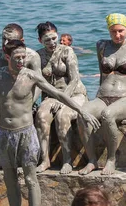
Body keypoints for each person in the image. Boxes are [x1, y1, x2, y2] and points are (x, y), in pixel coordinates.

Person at [0, 40, 99, 206]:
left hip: (26, 134)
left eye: (23, 57)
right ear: (7, 56)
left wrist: (82, 111)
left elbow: (59, 94)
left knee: (30, 179)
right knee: (10, 181)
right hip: (4, 134)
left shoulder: (31, 76)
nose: (21, 61)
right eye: (16, 58)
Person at [78, 13, 126, 176]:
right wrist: (94, 98)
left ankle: (111, 159)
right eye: (113, 31)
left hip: (124, 99)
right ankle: (92, 160)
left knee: (107, 115)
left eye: (121, 31)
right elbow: (103, 75)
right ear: (109, 30)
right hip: (102, 97)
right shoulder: (101, 45)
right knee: (82, 114)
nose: (117, 35)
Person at [0, 23, 42, 174]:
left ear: (22, 40)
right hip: (1, 101)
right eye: (3, 39)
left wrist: (29, 103)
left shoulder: (32, 56)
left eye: (10, 41)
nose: (5, 44)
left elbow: (40, 85)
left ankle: (25, 159)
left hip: (26, 101)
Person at [34, 22, 87, 174]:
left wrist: (62, 99)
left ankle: (67, 160)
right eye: (47, 40)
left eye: (54, 38)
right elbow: (38, 82)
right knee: (41, 116)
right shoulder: (38, 56)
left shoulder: (67, 51)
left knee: (62, 117)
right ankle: (45, 160)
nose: (51, 43)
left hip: (74, 94)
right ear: (40, 41)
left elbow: (75, 79)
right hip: (52, 94)